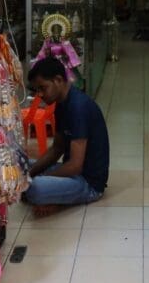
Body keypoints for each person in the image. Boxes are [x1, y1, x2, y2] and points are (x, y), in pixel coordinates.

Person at [23, 56, 109, 215]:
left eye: (43, 88)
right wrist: (29, 173)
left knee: (35, 187)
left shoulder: (78, 108)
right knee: (23, 165)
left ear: (58, 80)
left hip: (87, 182)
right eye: (37, 91)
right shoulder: (62, 104)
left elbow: (75, 166)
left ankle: (55, 199)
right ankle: (52, 194)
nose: (39, 95)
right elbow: (57, 149)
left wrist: (39, 179)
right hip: (72, 173)